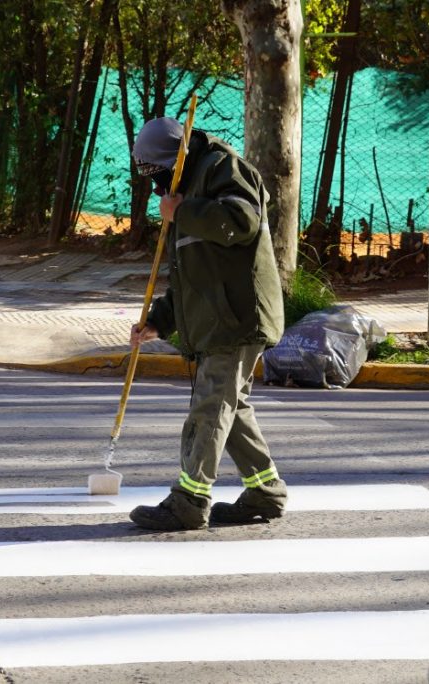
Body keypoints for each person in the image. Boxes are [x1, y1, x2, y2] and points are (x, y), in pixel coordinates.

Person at [125, 116, 288, 532]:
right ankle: (264, 491)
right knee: (229, 407)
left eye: (156, 171)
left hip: (236, 317)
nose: (156, 183)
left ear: (175, 159)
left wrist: (185, 211)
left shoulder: (221, 168)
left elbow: (242, 220)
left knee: (211, 406)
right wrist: (160, 322)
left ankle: (189, 499)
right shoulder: (183, 190)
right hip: (217, 318)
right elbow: (190, 276)